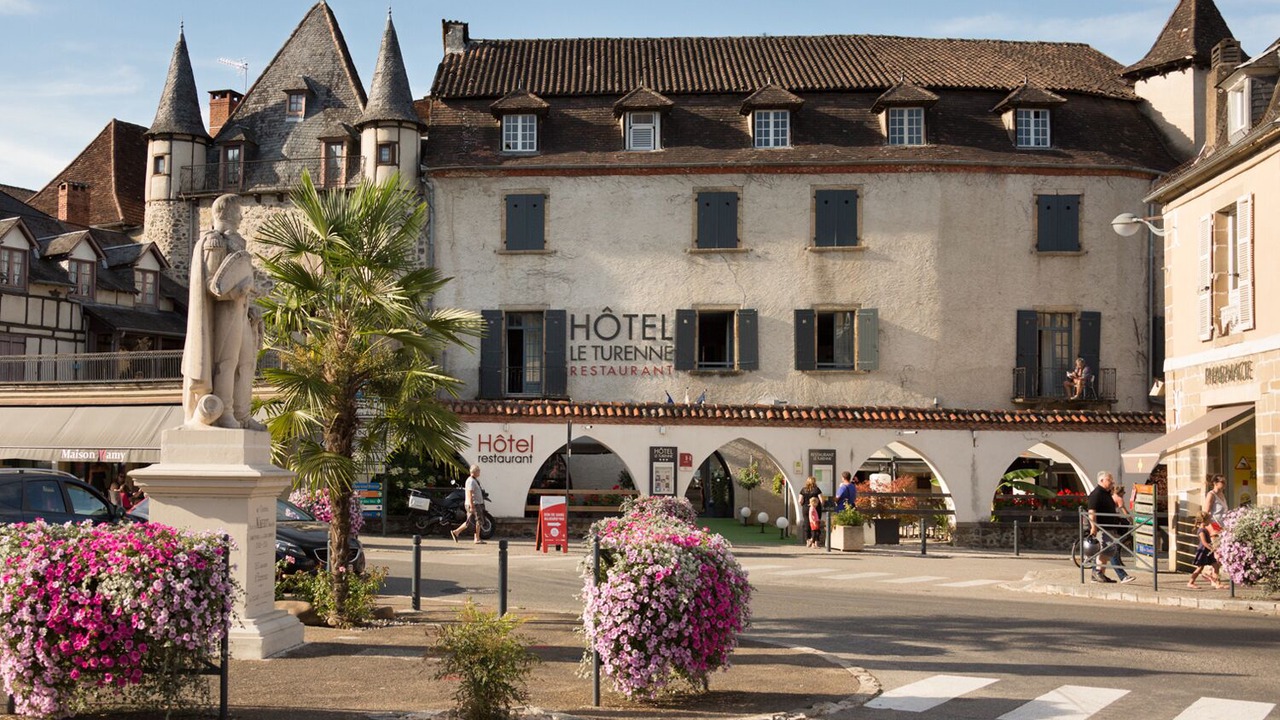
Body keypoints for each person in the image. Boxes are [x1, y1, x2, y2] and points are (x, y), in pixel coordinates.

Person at [181, 193, 266, 431]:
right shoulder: (214, 242)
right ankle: (226, 413)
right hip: (224, 312)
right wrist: (237, 292)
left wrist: (249, 302)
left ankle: (242, 414)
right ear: (228, 212)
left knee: (246, 363)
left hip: (241, 310)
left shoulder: (237, 242)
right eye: (239, 211)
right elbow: (213, 286)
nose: (242, 216)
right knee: (226, 363)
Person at [1086, 471, 1134, 584]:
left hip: (1109, 527)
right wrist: (1094, 527)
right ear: (1101, 480)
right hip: (1102, 528)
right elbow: (1091, 511)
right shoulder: (1096, 494)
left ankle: (1099, 575)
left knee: (1106, 552)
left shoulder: (1106, 493)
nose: (1112, 482)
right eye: (1109, 480)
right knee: (1107, 550)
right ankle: (1099, 573)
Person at [451, 465, 488, 545]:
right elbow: (469, 493)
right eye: (478, 471)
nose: (479, 472)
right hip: (474, 504)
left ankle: (456, 532)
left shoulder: (474, 480)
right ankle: (476, 538)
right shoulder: (471, 481)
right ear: (474, 472)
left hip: (476, 503)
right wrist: (472, 505)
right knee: (478, 521)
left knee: (470, 521)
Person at [1187, 512, 1224, 589]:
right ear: (1203, 521)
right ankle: (1191, 582)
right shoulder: (1201, 531)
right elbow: (1204, 542)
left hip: (1208, 551)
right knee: (1200, 567)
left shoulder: (1205, 529)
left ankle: (1217, 583)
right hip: (1203, 551)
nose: (1210, 521)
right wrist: (1212, 549)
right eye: (1208, 520)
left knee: (1215, 565)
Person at [798, 476, 825, 547]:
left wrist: (804, 504)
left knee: (807, 524)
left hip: (806, 509)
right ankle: (816, 541)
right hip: (816, 509)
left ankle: (808, 540)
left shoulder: (803, 490)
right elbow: (822, 500)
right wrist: (819, 505)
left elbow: (800, 501)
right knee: (816, 524)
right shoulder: (817, 490)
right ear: (814, 482)